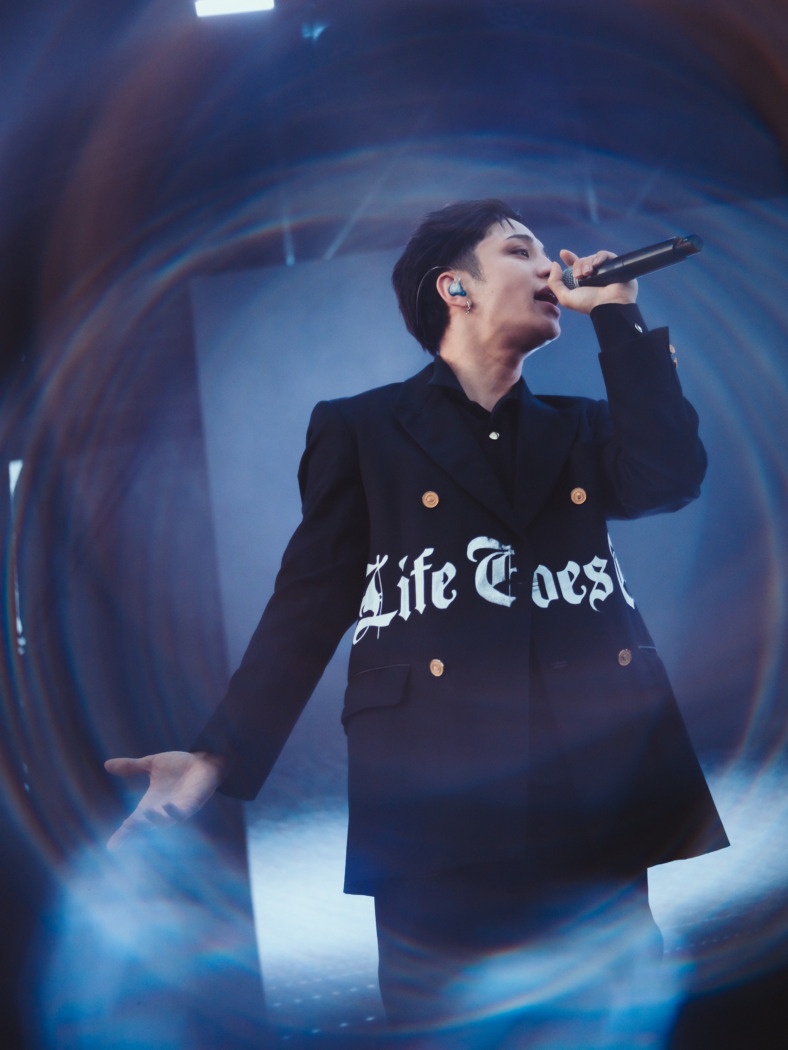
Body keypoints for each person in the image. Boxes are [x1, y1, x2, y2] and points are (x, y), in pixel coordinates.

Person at [106, 199, 727, 1041]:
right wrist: (218, 754)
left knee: (608, 1020)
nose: (551, 266)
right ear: (455, 289)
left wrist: (619, 319)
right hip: (434, 804)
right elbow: (309, 600)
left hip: (589, 787)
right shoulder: (361, 429)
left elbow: (670, 476)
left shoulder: (581, 426)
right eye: (520, 251)